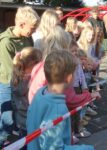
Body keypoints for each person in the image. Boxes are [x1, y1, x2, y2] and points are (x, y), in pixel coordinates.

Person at [27, 50, 94, 150]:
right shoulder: (58, 109)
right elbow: (53, 148)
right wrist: (86, 148)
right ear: (69, 77)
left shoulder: (40, 93)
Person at [0, 6, 39, 145]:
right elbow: (10, 69)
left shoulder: (28, 38)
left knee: (22, 114)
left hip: (24, 80)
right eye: (32, 28)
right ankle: (2, 139)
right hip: (7, 83)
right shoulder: (5, 42)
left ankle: (19, 138)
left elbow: (33, 57)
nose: (34, 31)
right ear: (22, 24)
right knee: (8, 118)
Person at [11, 47, 42, 145]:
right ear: (33, 63)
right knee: (31, 143)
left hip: (23, 118)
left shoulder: (18, 75)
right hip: (29, 119)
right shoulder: (25, 78)